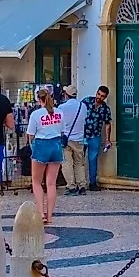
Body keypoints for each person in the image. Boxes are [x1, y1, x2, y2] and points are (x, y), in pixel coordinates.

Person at [27, 85, 70, 225]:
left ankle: (41, 213)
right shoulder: (59, 113)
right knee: (51, 183)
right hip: (56, 145)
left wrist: (31, 146)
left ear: (39, 100)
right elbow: (63, 131)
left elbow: (31, 134)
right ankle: (50, 215)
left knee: (37, 181)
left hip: (41, 145)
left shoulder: (36, 114)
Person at [59, 87, 90, 195]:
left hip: (66, 139)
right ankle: (82, 185)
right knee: (79, 163)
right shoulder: (83, 106)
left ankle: (71, 186)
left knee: (67, 163)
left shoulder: (61, 107)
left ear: (66, 94)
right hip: (79, 139)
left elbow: (60, 123)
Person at [86, 87, 112, 192]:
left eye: (102, 96)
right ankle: (79, 183)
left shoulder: (105, 109)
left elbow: (107, 124)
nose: (99, 97)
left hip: (95, 136)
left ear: (105, 97)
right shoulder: (86, 101)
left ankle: (92, 183)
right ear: (96, 93)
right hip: (82, 135)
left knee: (93, 160)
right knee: (78, 160)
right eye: (99, 94)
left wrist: (107, 139)